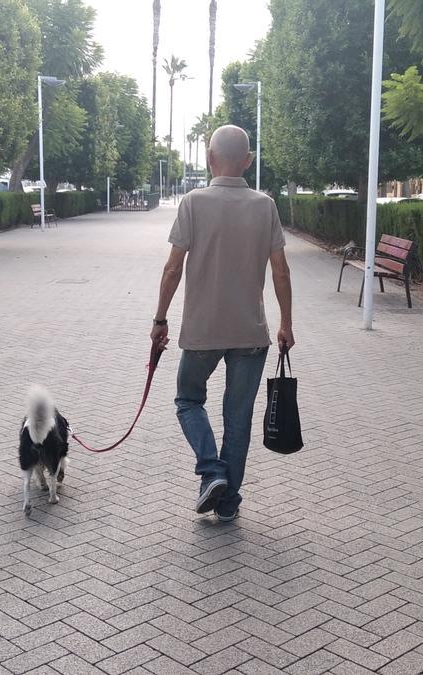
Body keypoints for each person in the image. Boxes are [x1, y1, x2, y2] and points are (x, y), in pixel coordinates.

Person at [151, 125, 294, 523]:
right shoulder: (265, 205)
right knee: (238, 417)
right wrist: (286, 323)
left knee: (187, 400)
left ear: (210, 159)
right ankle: (228, 501)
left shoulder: (193, 203)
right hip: (251, 332)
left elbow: (172, 268)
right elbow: (281, 272)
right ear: (247, 161)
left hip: (201, 331)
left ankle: (211, 471)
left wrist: (160, 319)